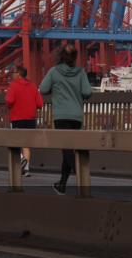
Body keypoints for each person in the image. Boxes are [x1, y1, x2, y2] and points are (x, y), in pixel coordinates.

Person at [39, 44, 93, 195]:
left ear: (61, 56)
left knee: (66, 149)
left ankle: (80, 173)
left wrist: (56, 88)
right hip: (76, 116)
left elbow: (43, 89)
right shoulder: (81, 72)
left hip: (61, 115)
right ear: (75, 57)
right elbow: (87, 92)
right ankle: (61, 185)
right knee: (69, 149)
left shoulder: (54, 71)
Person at [6, 65, 43, 177]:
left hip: (17, 118)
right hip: (31, 119)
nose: (12, 75)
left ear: (19, 74)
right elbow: (40, 104)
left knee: (14, 143)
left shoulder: (13, 85)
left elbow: (9, 101)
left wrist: (10, 105)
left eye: (13, 73)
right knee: (26, 145)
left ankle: (22, 159)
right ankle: (26, 170)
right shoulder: (33, 86)